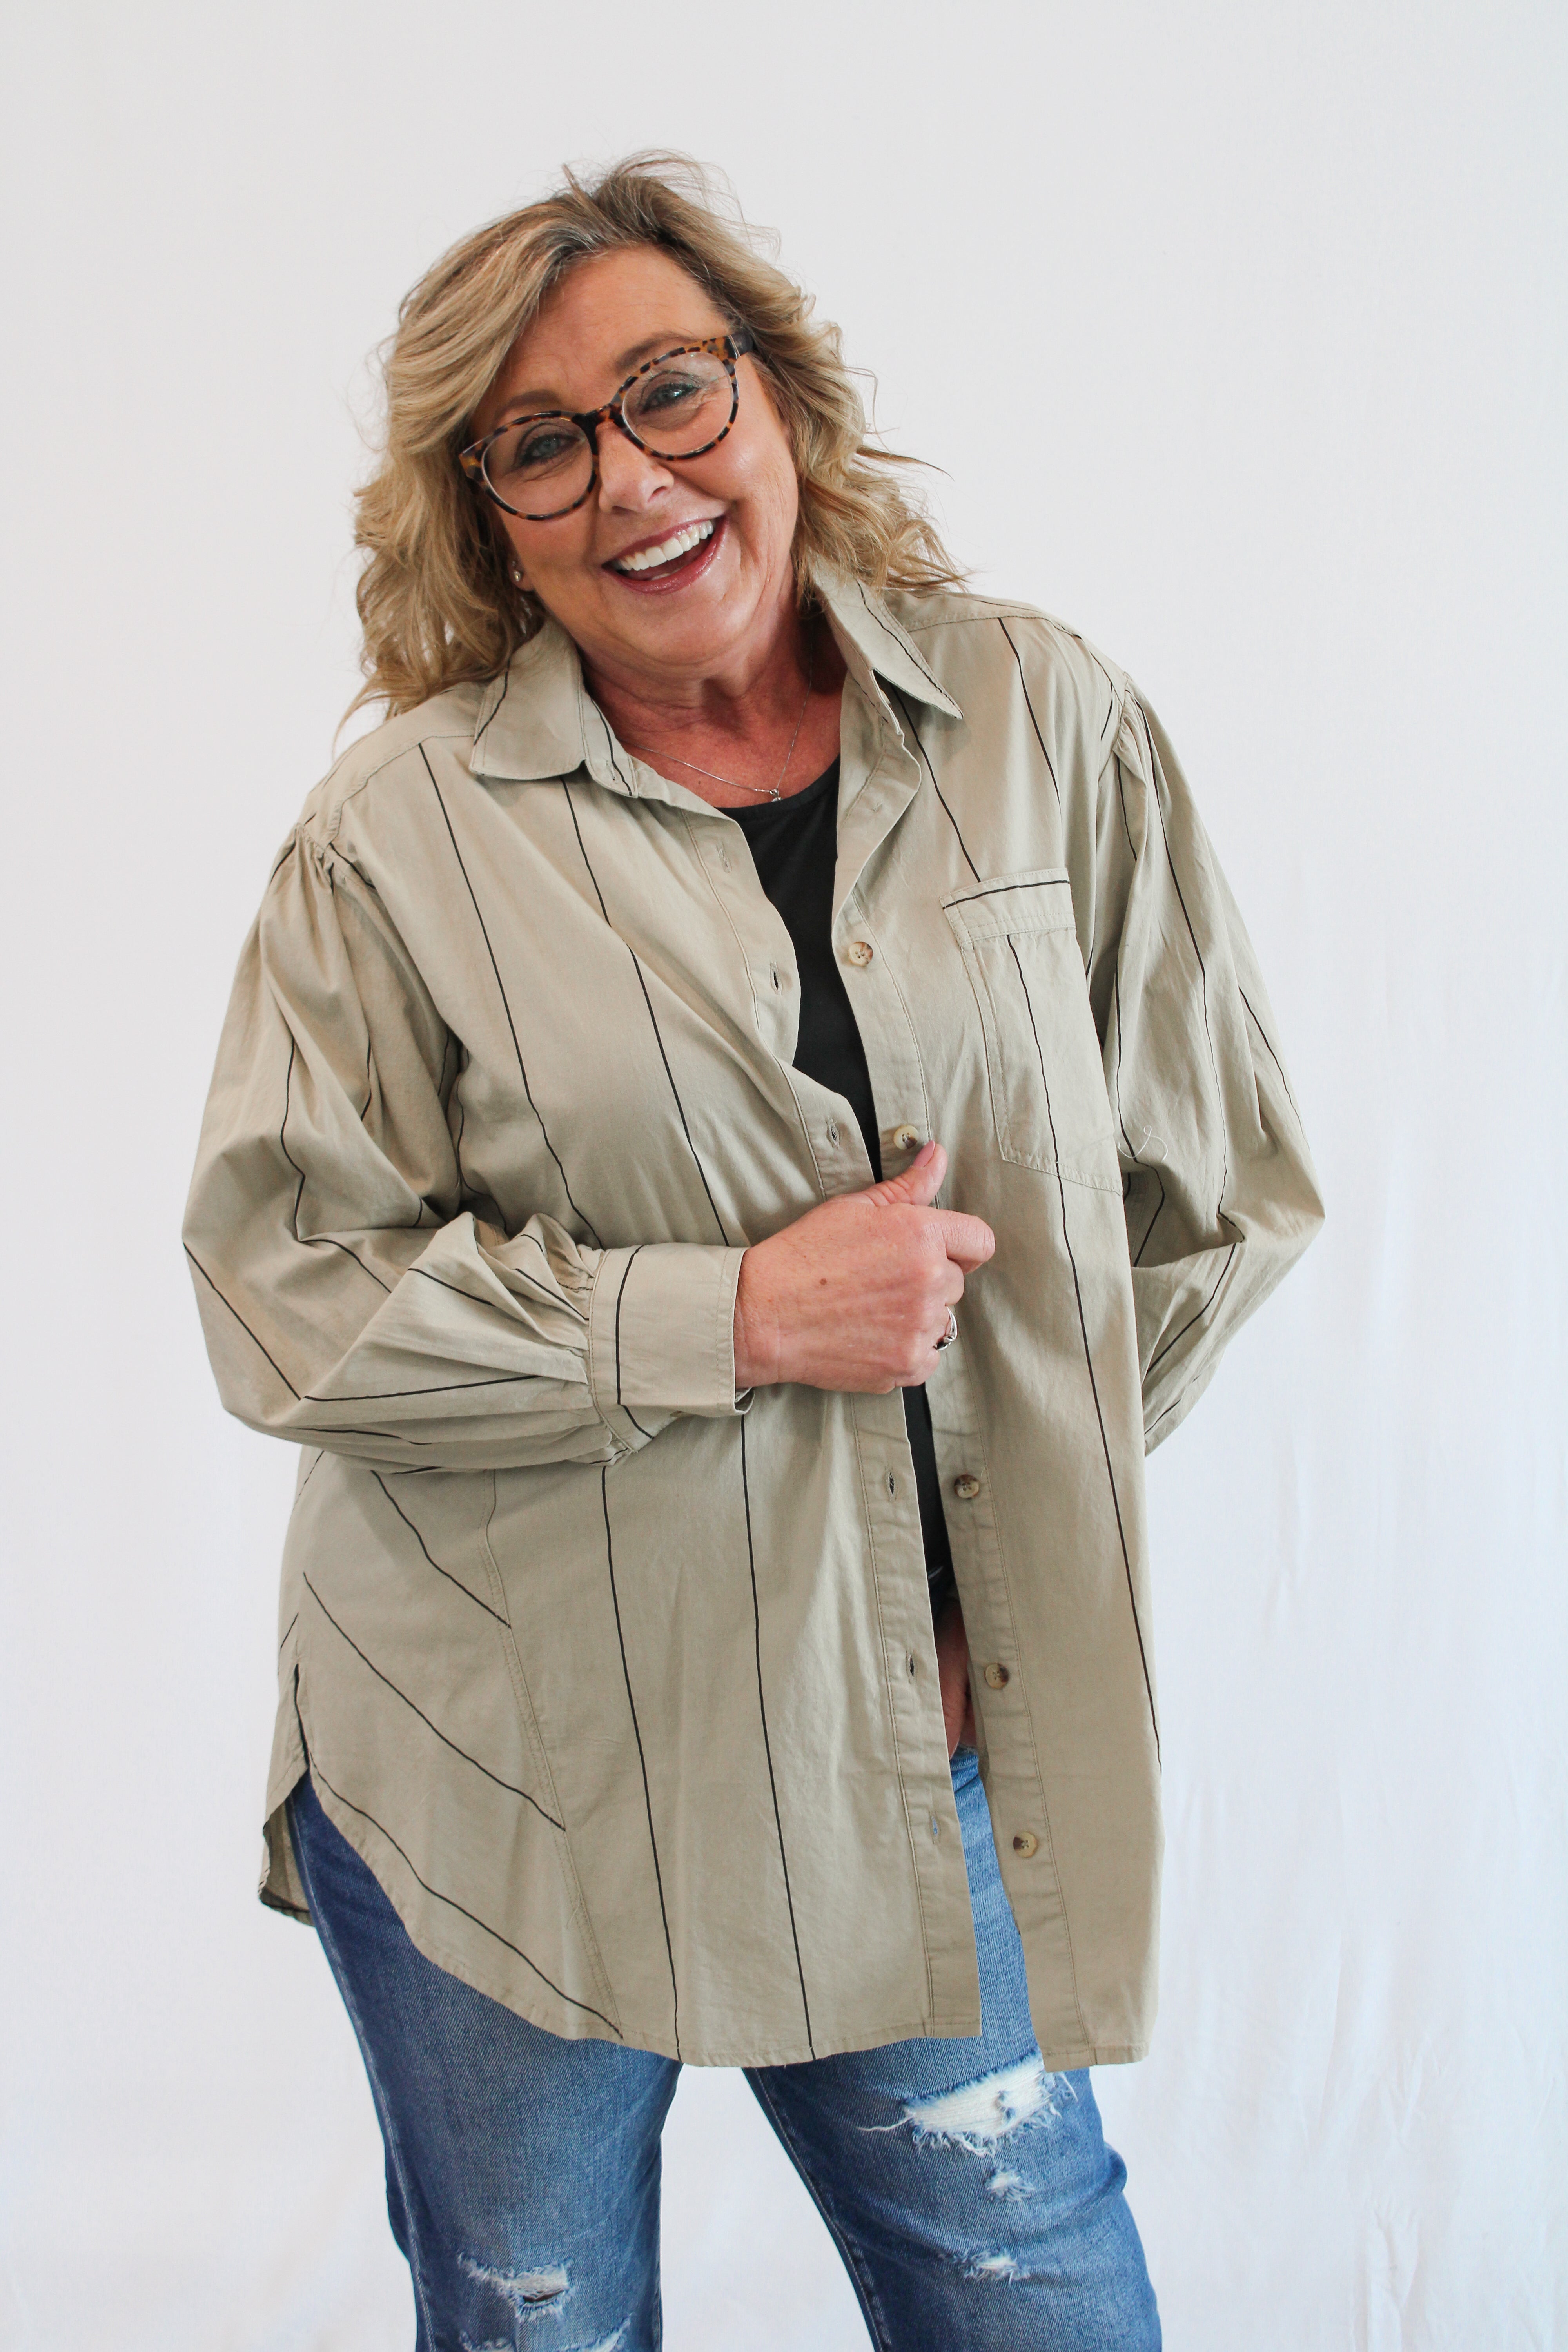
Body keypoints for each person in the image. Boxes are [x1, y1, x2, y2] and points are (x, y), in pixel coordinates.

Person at [185, 153, 1322, 2350]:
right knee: (535, 2317)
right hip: (500, 1759)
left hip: (899, 1738)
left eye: (669, 392)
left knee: (1031, 2291)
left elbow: (1213, 1194)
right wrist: (735, 1319)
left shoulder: (1040, 723)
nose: (631, 479)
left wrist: (991, 1544)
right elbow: (284, 1294)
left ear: (776, 392)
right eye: (542, 444)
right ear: (489, 517)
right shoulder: (394, 842)